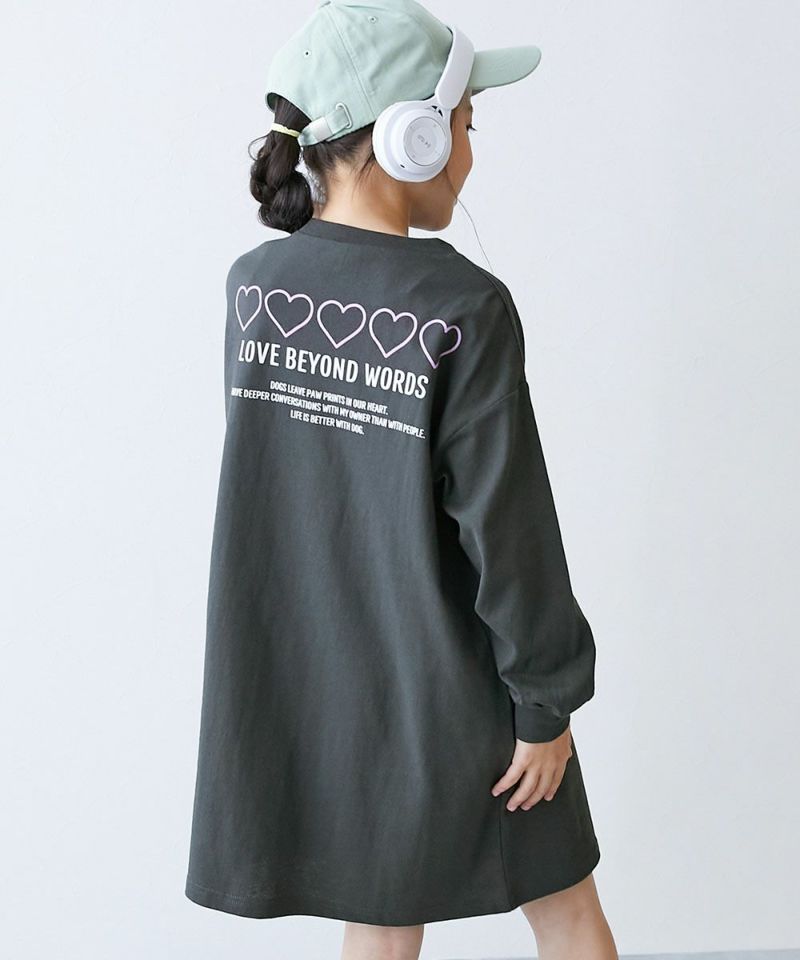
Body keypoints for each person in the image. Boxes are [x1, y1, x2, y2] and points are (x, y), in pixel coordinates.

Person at [184, 1, 618, 957]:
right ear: (411, 137)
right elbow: (508, 527)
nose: (469, 152)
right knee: (566, 908)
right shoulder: (463, 306)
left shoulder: (256, 288)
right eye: (465, 124)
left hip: (332, 685)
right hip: (463, 683)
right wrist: (544, 701)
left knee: (382, 922)